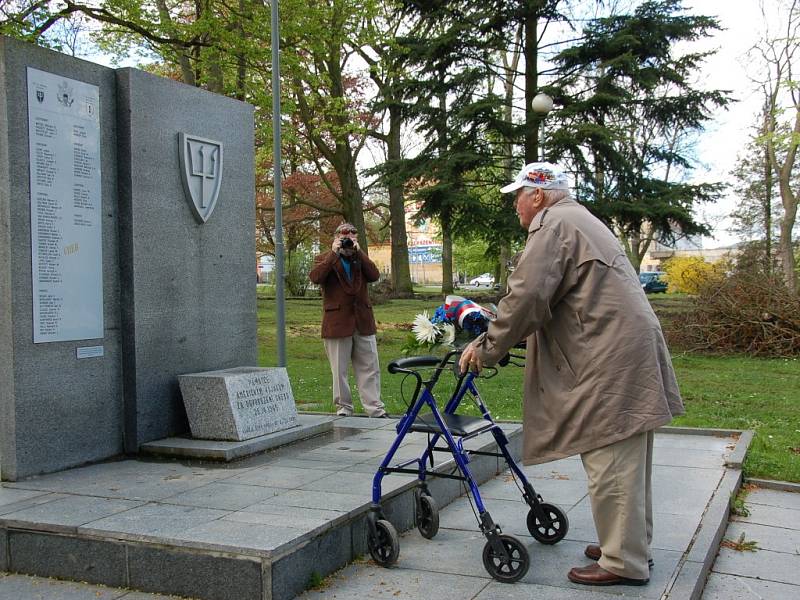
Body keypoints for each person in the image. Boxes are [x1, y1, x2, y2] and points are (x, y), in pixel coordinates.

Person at [459, 162, 684, 587]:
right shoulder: (580, 219)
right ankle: (627, 543)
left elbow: (527, 297)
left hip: (608, 356)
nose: (515, 205)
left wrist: (488, 348)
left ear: (538, 195)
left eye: (518, 196)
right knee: (628, 459)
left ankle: (623, 562)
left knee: (610, 455)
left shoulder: (553, 224)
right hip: (621, 348)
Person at [309, 223, 387, 418]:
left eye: (353, 233)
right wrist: (333, 254)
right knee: (339, 370)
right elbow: (316, 278)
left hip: (363, 321)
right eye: (345, 234)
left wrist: (359, 253)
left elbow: (374, 275)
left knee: (369, 367)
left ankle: (375, 408)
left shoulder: (359, 258)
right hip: (337, 322)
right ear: (335, 237)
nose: (349, 237)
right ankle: (344, 407)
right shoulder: (324, 258)